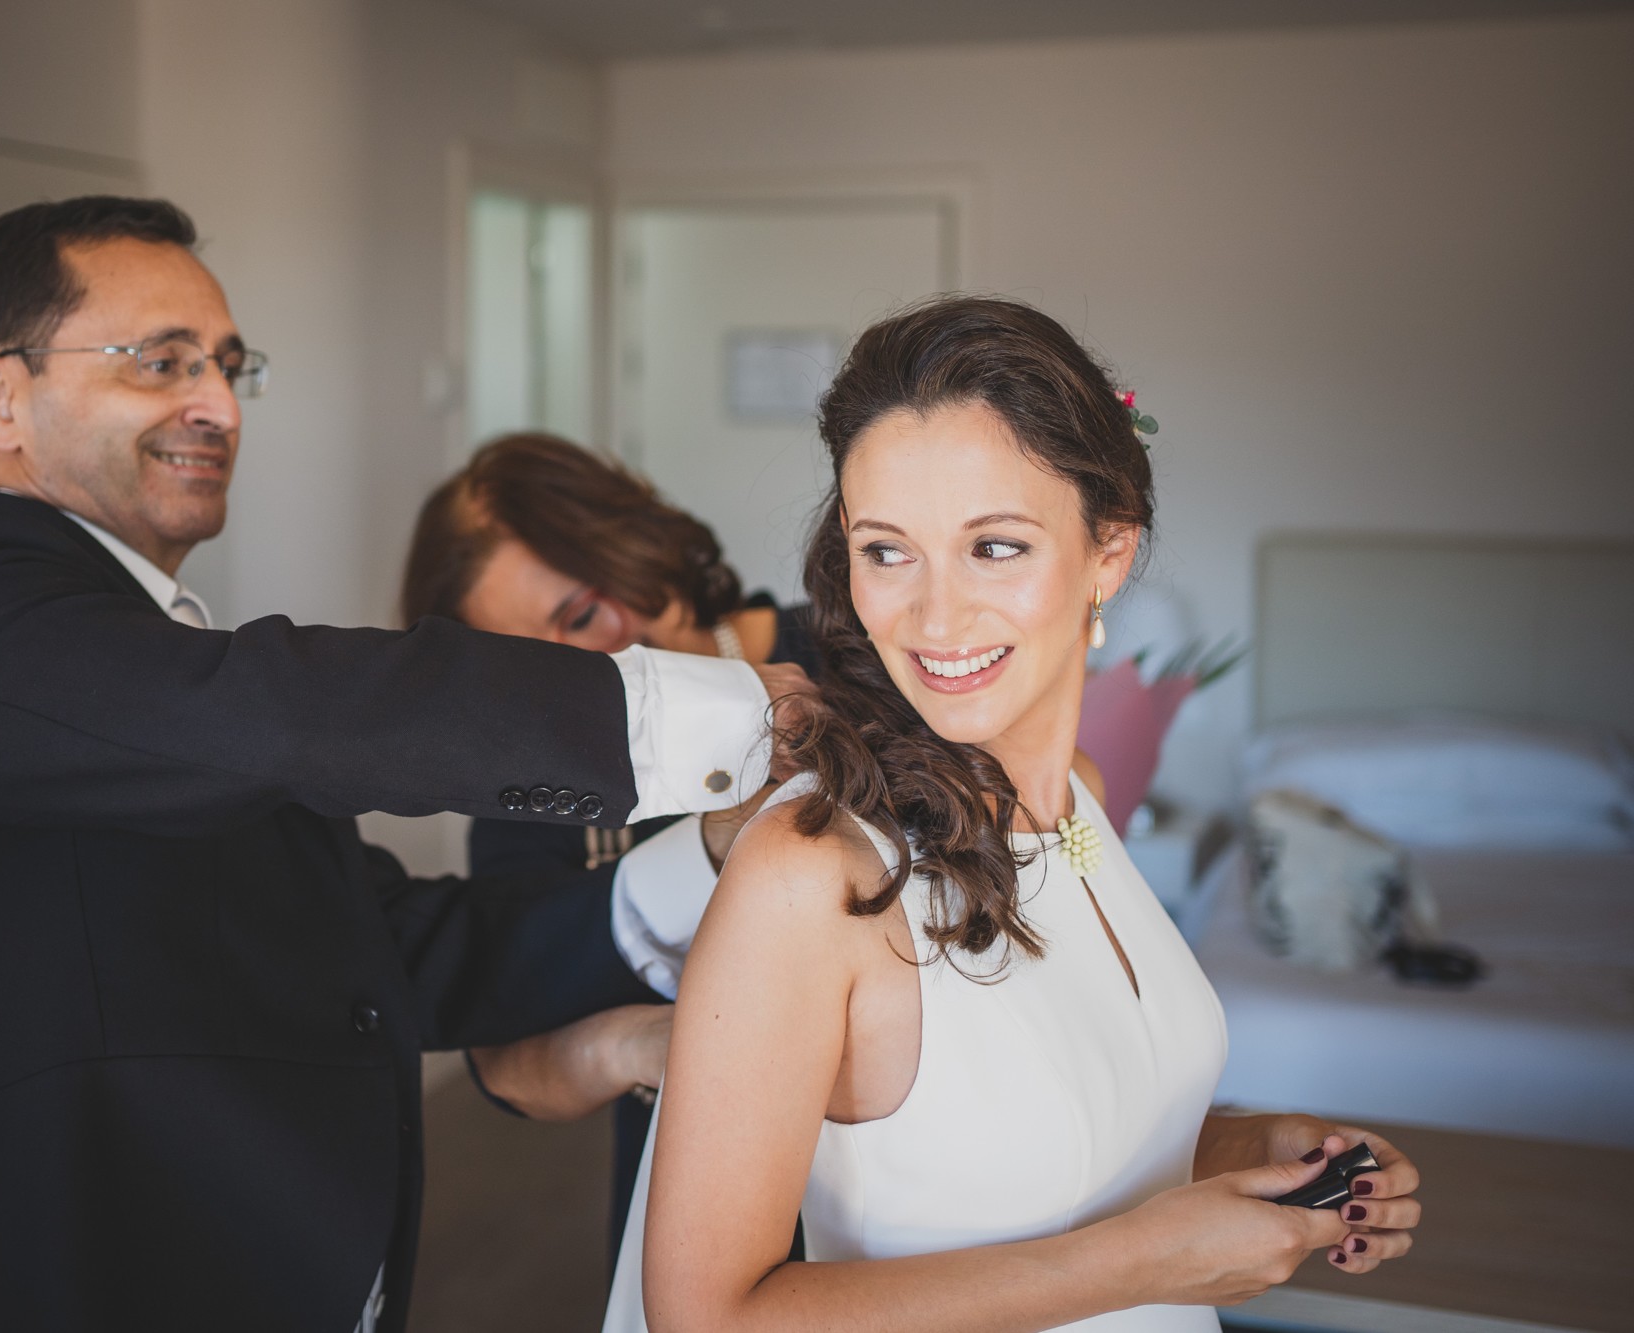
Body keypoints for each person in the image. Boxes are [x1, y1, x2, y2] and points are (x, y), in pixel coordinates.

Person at [0, 196, 805, 1333]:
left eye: (229, 365)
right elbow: (272, 711)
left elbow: (391, 948)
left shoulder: (167, 677)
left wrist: (701, 864)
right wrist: (724, 719)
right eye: (159, 361)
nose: (217, 404)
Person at [605, 295, 1424, 1332]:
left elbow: (1055, 1136)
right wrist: (1134, 1263)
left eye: (993, 547)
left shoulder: (1077, 800)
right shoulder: (812, 880)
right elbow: (708, 1318)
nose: (934, 616)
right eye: (886, 550)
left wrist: (1247, 1148)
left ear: (1108, 553)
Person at [399, 432, 817, 1257]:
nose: (571, 676)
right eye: (528, 667)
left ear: (635, 542)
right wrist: (638, 1045)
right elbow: (504, 1053)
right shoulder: (537, 783)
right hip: (700, 1211)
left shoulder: (846, 656)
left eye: (582, 614)